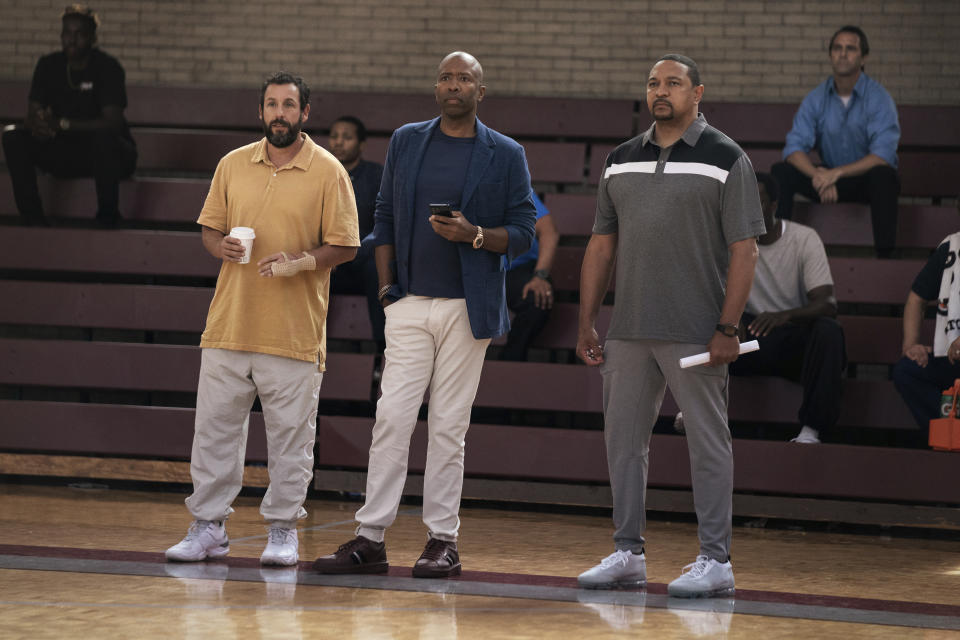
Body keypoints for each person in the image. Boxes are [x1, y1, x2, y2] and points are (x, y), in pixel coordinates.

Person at [312, 51, 536, 579]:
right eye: (445, 77)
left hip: (468, 306)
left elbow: (524, 228)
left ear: (481, 91)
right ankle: (371, 538)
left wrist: (475, 235)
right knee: (391, 418)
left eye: (464, 78)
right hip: (410, 302)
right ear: (436, 87)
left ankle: (442, 539)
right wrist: (389, 290)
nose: (453, 85)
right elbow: (384, 215)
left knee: (448, 426)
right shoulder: (408, 139)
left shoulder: (505, 153)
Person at [576, 54, 764, 597]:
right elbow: (601, 244)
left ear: (697, 92)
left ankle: (716, 559)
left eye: (674, 83)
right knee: (623, 442)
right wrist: (588, 320)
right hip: (628, 327)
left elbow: (745, 250)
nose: (662, 92)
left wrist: (728, 329)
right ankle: (627, 552)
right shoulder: (619, 159)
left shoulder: (726, 157)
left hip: (698, 330)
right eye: (654, 83)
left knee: (708, 442)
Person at [165, 72, 359, 566]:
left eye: (289, 105)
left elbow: (346, 245)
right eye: (272, 104)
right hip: (229, 324)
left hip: (293, 333)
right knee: (213, 434)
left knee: (292, 438)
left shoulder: (330, 170)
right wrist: (221, 245)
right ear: (261, 112)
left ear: (305, 113)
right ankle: (208, 527)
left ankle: (282, 530)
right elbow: (210, 232)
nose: (279, 113)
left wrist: (302, 261)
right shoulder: (231, 164)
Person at [723, 172, 846, 444]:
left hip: (788, 340)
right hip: (745, 342)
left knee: (828, 331)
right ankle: (694, 411)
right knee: (705, 320)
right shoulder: (727, 240)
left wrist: (785, 316)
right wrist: (730, 319)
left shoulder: (803, 239)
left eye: (759, 201)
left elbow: (827, 304)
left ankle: (811, 430)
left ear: (774, 206)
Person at [1, 4, 137, 227]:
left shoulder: (107, 67)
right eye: (66, 33)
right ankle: (33, 219)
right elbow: (33, 114)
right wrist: (39, 124)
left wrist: (62, 124)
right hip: (65, 153)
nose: (71, 40)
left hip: (108, 156)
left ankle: (107, 219)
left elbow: (112, 123)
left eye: (79, 34)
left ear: (92, 38)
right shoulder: (48, 66)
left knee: (104, 139)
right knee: (12, 136)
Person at [772, 25, 900, 258]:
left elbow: (883, 155)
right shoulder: (816, 98)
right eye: (837, 48)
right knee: (781, 172)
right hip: (825, 181)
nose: (843, 53)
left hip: (863, 181)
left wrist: (836, 173)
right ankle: (778, 253)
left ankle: (885, 257)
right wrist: (818, 175)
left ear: (863, 58)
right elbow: (793, 149)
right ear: (831, 54)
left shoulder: (879, 98)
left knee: (885, 177)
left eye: (850, 48)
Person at [893, 198, 960, 437]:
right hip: (950, 359)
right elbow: (916, 298)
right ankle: (948, 434)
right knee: (907, 370)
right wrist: (911, 345)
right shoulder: (950, 247)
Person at [328, 115, 386, 350]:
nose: (339, 143)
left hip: (363, 261)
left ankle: (382, 353)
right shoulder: (320, 174)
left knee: (379, 270)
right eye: (334, 137)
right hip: (329, 264)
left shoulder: (376, 176)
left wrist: (352, 253)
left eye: (347, 137)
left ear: (362, 144)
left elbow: (384, 225)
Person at [500, 191, 559, 361]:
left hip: (515, 268)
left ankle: (510, 362)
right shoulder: (456, 187)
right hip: (473, 273)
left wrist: (540, 276)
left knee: (538, 296)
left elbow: (549, 231)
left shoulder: (513, 185)